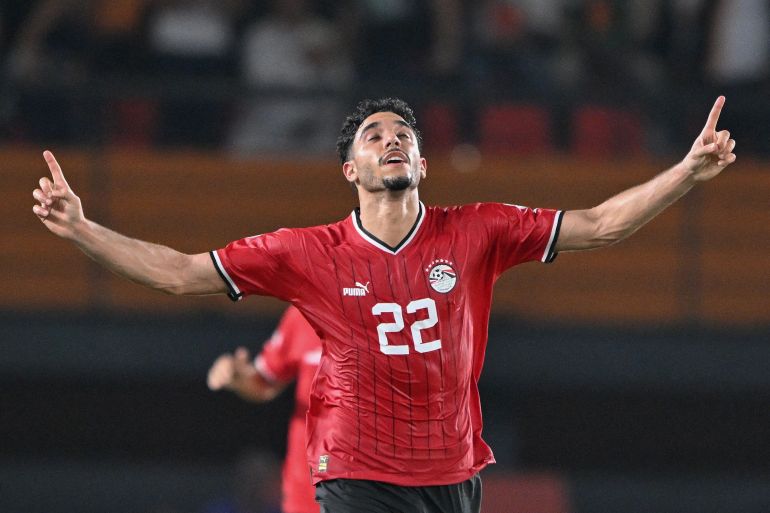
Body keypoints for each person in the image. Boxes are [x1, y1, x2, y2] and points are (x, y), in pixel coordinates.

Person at [32, 96, 736, 513]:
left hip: (454, 471)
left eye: (404, 135)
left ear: (423, 164)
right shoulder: (308, 252)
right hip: (354, 468)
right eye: (375, 136)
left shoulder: (479, 229)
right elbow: (183, 274)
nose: (392, 140)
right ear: (352, 170)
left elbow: (602, 224)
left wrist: (686, 172)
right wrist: (82, 228)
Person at [207, 305, 321, 513]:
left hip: (376, 478)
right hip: (308, 484)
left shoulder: (393, 308)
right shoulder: (305, 312)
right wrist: (237, 376)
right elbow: (264, 381)